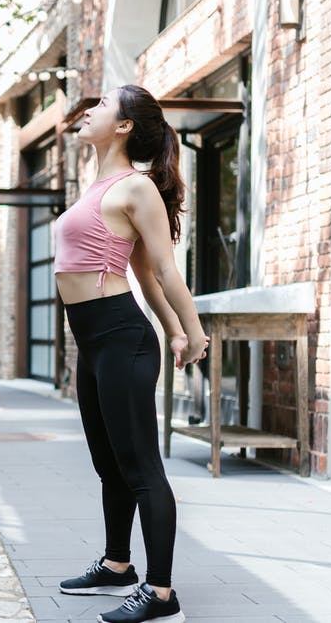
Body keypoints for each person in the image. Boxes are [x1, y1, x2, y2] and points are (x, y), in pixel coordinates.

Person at [53, 85, 209, 623]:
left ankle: (161, 592)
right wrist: (171, 328)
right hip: (92, 342)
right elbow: (139, 269)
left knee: (141, 466)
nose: (89, 111)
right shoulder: (98, 185)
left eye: (101, 106)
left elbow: (164, 268)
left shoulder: (137, 186)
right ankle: (118, 565)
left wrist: (192, 329)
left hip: (121, 337)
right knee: (108, 465)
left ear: (123, 127)